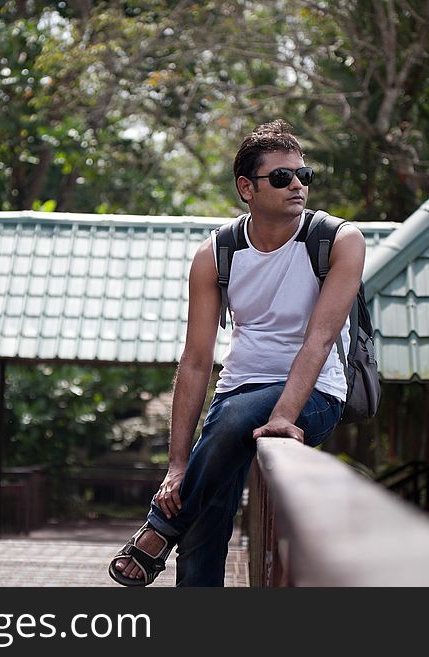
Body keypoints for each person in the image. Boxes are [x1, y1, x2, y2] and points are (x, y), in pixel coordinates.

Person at [108, 120, 366, 587]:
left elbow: (321, 338)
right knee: (207, 518)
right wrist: (178, 464)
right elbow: (196, 361)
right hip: (237, 395)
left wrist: (285, 413)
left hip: (314, 395)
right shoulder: (218, 253)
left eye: (303, 176)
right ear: (246, 188)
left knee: (237, 418)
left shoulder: (337, 241)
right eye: (282, 177)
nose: (297, 186)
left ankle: (159, 530)